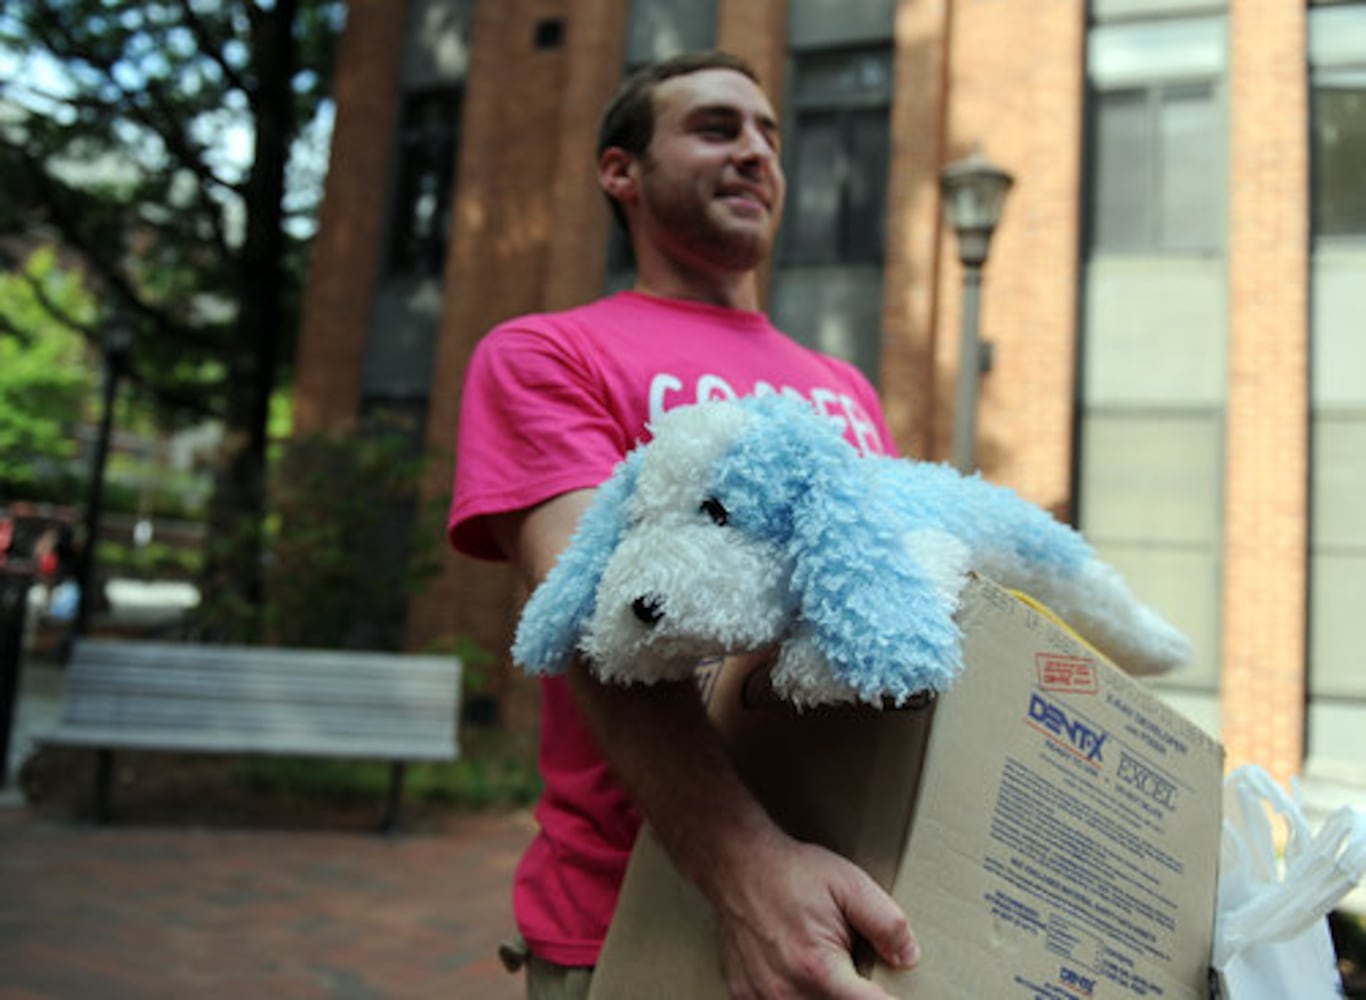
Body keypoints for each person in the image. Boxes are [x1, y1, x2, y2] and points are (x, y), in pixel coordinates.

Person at [449, 50, 919, 999]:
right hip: (635, 920)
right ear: (620, 171)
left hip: (858, 905)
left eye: (767, 135)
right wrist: (748, 872)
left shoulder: (846, 390)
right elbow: (596, 618)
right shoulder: (547, 353)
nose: (754, 152)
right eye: (715, 128)